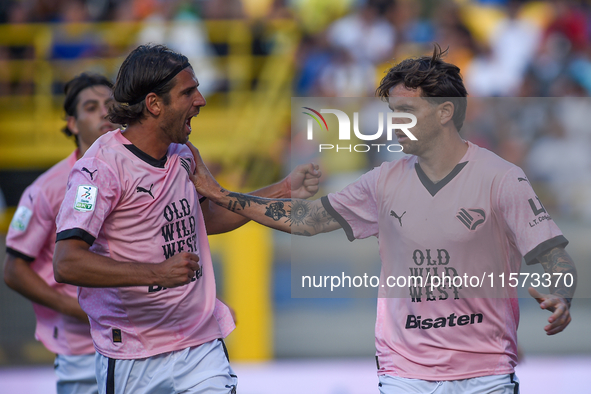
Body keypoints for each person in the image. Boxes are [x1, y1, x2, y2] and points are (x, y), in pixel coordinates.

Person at [190, 45, 577, 393]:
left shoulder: (502, 178)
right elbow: (307, 219)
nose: (394, 123)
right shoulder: (383, 181)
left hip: (485, 373)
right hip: (403, 374)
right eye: (393, 113)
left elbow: (554, 255)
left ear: (445, 113)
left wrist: (562, 294)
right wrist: (223, 196)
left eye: (406, 112)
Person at [52, 44, 320, 394]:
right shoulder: (99, 169)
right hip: (134, 355)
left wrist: (282, 188)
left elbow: (205, 219)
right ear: (154, 104)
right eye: (188, 92)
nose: (201, 100)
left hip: (200, 347)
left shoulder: (183, 154)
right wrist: (158, 274)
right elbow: (67, 262)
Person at [4, 73, 118, 394]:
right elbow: (13, 268)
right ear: (71, 123)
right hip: (81, 348)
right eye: (92, 107)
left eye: (111, 105)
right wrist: (72, 308)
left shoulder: (138, 171)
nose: (104, 113)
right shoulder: (47, 188)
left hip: (141, 341)